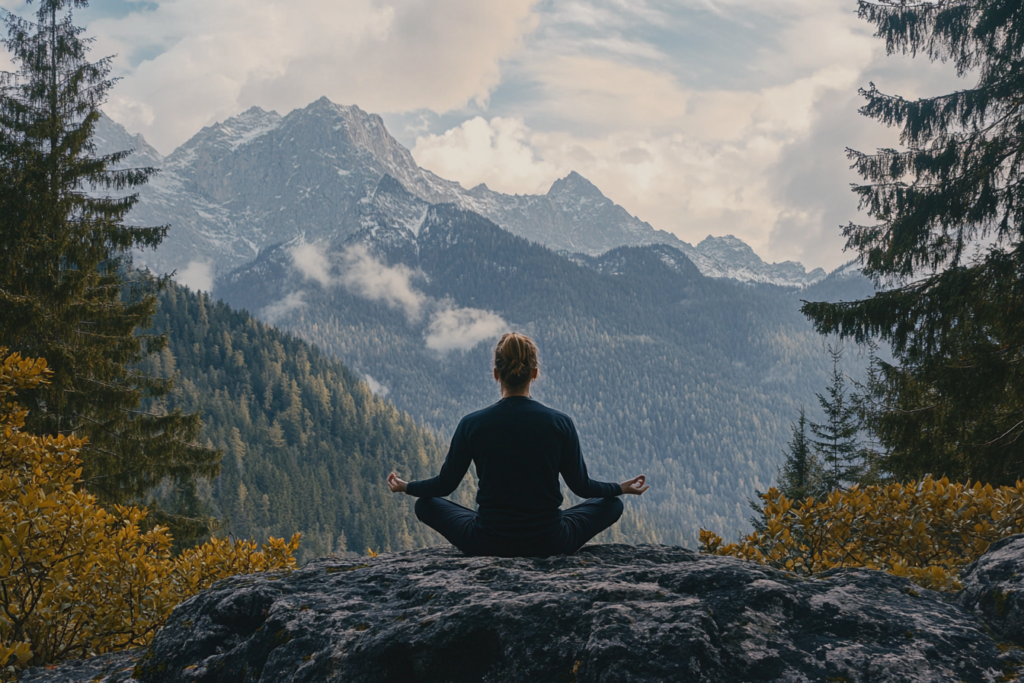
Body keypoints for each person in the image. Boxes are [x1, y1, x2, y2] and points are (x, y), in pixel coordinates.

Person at [386, 332, 649, 557]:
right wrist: (619, 488)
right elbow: (582, 487)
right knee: (613, 504)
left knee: (425, 504)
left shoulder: (472, 424)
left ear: (495, 374)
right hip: (551, 541)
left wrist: (406, 487)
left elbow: (444, 485)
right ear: (534, 373)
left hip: (487, 541)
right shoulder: (560, 423)